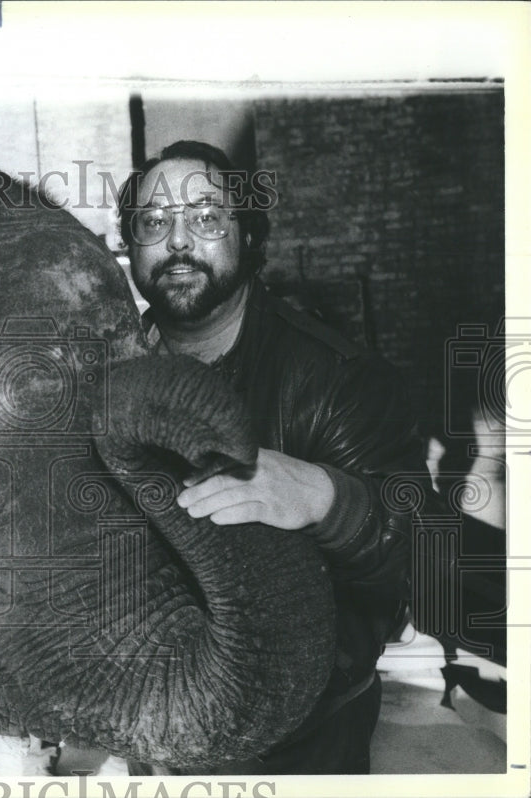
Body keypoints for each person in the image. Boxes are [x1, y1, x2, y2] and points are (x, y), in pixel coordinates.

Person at [115, 140, 431, 774]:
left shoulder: (338, 380)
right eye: (154, 222)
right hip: (148, 722)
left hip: (299, 738)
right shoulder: (105, 370)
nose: (178, 240)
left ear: (250, 236)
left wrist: (326, 498)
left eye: (206, 218)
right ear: (131, 245)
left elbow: (419, 560)